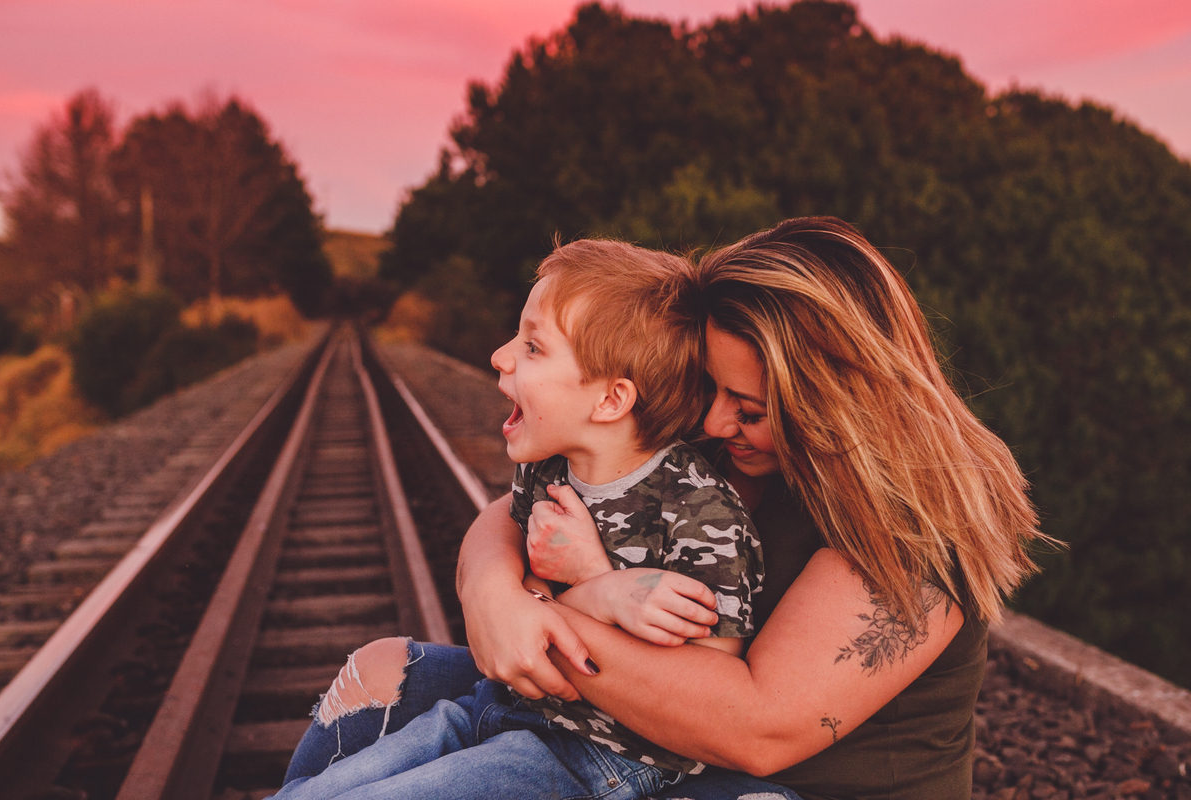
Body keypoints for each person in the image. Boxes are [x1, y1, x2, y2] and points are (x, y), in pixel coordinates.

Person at [284, 217, 1050, 800]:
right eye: (714, 389)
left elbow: (756, 729)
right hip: (637, 734)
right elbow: (510, 515)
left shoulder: (920, 526)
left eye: (749, 408)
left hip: (760, 782)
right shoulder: (730, 445)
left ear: (832, 401)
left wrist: (547, 612)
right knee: (379, 671)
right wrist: (491, 593)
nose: (714, 422)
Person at [275, 238, 762, 800]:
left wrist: (590, 586)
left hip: (600, 755)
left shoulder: (701, 515)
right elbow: (528, 586)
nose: (499, 356)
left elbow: (703, 695)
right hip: (499, 706)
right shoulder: (546, 468)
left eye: (532, 346)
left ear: (610, 400)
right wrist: (595, 595)